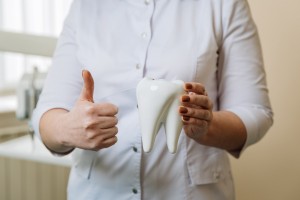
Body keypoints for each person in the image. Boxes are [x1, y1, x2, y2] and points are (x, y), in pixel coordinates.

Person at [32, 0, 273, 199]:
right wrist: (68, 128)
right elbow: (47, 114)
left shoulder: (223, 4)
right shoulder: (85, 7)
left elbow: (255, 111)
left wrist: (208, 126)